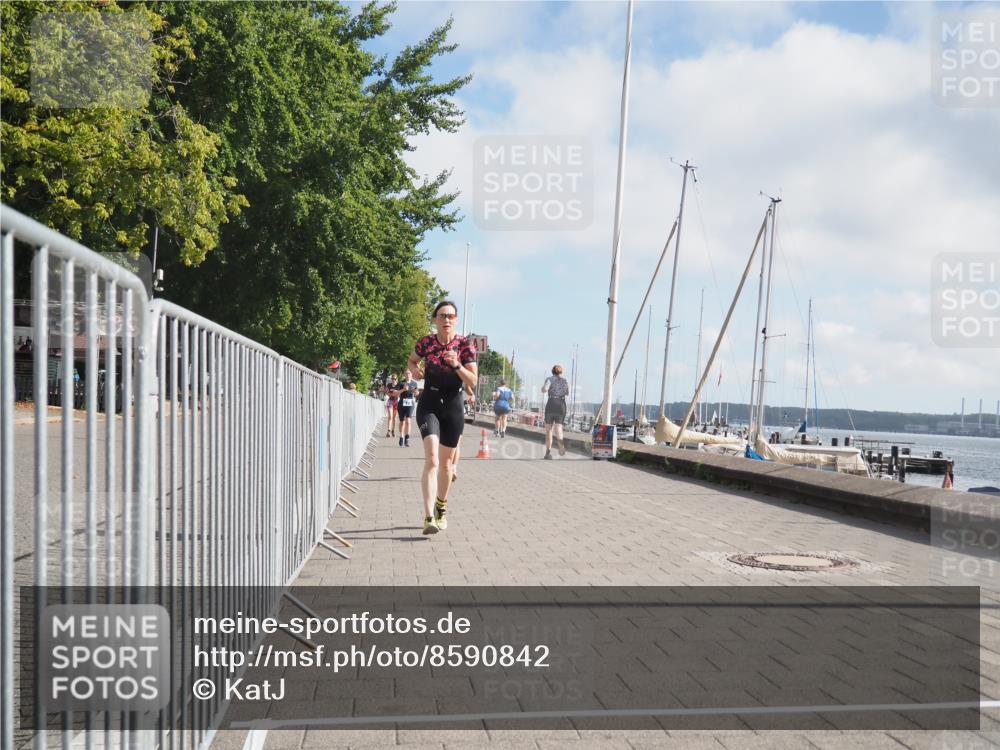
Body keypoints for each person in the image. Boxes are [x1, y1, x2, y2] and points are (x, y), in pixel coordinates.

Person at [406, 300, 477, 535]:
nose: (447, 320)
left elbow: (473, 381)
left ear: (455, 320)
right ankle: (428, 518)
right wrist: (415, 369)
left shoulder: (465, 345)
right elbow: (412, 360)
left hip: (454, 405)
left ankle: (441, 507)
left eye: (451, 316)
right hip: (430, 403)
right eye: (442, 315)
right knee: (433, 460)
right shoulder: (426, 342)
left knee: (446, 464)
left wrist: (456, 365)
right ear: (435, 319)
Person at [542, 364, 569, 459]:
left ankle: (548, 453)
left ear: (552, 371)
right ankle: (561, 444)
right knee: (559, 426)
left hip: (552, 403)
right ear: (561, 372)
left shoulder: (549, 379)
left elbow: (544, 389)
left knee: (549, 429)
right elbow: (567, 392)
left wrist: (545, 389)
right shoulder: (565, 381)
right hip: (561, 404)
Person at [395, 370, 419, 447]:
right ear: (404, 375)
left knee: (408, 421)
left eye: (409, 373)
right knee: (402, 422)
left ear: (411, 374)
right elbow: (396, 393)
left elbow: (417, 392)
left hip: (410, 403)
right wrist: (403, 389)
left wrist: (416, 392)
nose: (408, 375)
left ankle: (407, 438)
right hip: (402, 403)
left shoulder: (414, 383)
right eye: (406, 373)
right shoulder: (401, 383)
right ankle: (401, 436)